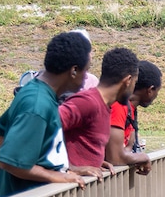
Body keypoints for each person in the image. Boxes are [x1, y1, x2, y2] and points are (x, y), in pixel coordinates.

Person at [0, 30, 91, 197]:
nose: (86, 77)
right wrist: (54, 175)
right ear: (74, 70)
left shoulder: (37, 93)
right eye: (86, 70)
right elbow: (9, 161)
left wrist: (66, 169)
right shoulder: (37, 105)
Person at [60, 47, 139, 176]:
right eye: (135, 82)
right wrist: (68, 168)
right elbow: (42, 127)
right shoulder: (87, 102)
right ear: (128, 80)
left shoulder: (105, 106)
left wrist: (96, 161)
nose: (134, 87)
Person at [106, 60, 162, 175]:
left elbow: (127, 149)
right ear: (150, 90)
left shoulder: (130, 110)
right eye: (157, 91)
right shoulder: (119, 106)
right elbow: (115, 157)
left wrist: (128, 155)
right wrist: (143, 157)